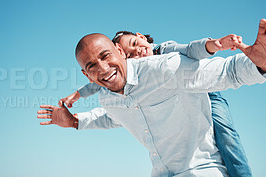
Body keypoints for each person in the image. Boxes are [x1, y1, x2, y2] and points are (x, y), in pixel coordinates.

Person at [37, 19, 266, 177]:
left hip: (202, 172)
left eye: (105, 56)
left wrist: (264, 66)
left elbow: (226, 72)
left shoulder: (166, 67)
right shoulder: (108, 98)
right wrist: (73, 122)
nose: (102, 69)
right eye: (92, 66)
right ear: (86, 74)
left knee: (228, 136)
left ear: (119, 52)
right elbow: (112, 118)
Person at [60, 31, 251, 176]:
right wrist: (76, 112)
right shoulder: (122, 89)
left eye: (135, 43)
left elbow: (194, 53)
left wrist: (212, 45)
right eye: (131, 54)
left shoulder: (166, 56)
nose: (138, 51)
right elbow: (113, 113)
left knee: (226, 135)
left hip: (208, 92)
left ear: (141, 36)